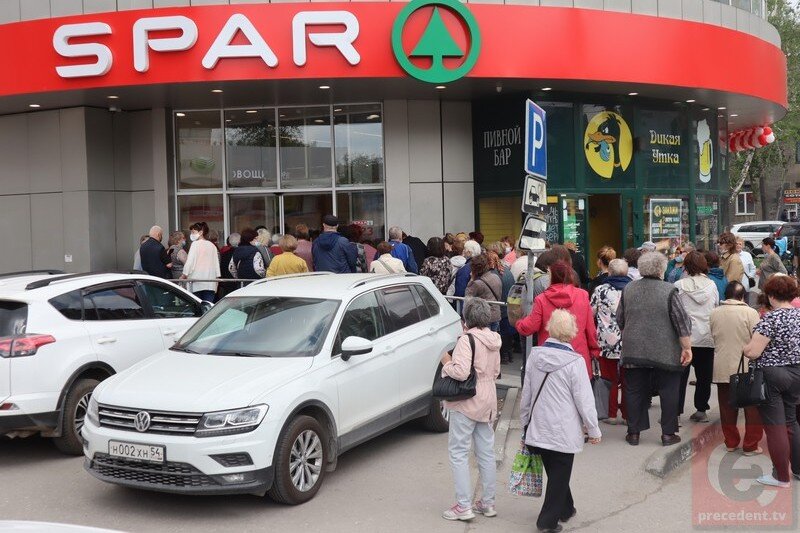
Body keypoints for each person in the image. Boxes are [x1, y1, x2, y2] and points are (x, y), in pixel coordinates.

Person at [519, 310, 601, 532]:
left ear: (550, 329)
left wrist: (524, 421)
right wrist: (594, 430)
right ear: (572, 333)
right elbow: (585, 400)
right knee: (559, 474)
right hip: (564, 430)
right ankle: (546, 522)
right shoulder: (575, 362)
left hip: (539, 427)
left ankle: (566, 508)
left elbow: (527, 393)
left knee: (556, 472)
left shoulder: (535, 356)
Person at [619, 252, 693, 447]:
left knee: (634, 390)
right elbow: (681, 322)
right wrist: (687, 348)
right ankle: (668, 434)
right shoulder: (669, 291)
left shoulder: (629, 289)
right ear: (661, 269)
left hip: (633, 348)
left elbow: (620, 319)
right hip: (665, 350)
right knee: (669, 390)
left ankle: (633, 433)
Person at [440, 298, 502, 522]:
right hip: (488, 397)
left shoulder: (467, 340)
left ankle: (463, 505)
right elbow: (495, 372)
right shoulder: (494, 339)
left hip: (467, 400)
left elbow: (461, 372)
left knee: (458, 452)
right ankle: (488, 502)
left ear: (467, 317)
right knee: (485, 452)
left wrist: (446, 362)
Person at [744, 275, 800, 487]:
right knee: (791, 421)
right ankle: (798, 469)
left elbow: (754, 351)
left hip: (773, 375)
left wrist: (745, 348)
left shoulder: (771, 319)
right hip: (797, 373)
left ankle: (780, 476)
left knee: (775, 426)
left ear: (771, 295)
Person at [515, 261, 600, 378]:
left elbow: (530, 326)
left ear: (552, 277)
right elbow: (591, 330)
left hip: (550, 360)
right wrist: (594, 351)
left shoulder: (542, 299)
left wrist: (518, 322)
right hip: (578, 357)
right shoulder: (583, 295)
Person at [710, 281, 763, 455]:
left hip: (722, 365)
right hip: (746, 366)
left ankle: (731, 442)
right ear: (742, 296)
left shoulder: (715, 313)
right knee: (752, 408)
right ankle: (750, 445)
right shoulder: (750, 313)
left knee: (726, 407)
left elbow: (713, 335)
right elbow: (756, 337)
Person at [675, 251, 719, 424]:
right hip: (707, 335)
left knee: (679, 377)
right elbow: (715, 306)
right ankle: (701, 409)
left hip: (684, 337)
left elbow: (674, 310)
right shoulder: (712, 285)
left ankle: (676, 412)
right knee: (704, 376)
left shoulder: (678, 285)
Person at [590, 258, 631, 424]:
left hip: (607, 342)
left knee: (610, 378)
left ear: (610, 272)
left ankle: (611, 414)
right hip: (630, 341)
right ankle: (628, 415)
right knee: (629, 380)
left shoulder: (600, 290)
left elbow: (591, 312)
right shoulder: (633, 288)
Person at [182, 221, 221, 302]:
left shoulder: (195, 245)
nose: (191, 234)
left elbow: (190, 262)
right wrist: (216, 281)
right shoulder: (212, 246)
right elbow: (216, 265)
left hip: (196, 283)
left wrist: (184, 275)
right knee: (208, 307)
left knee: (197, 308)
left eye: (193, 232)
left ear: (201, 232)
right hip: (210, 282)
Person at [466, 254, 503, 331]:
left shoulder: (477, 283)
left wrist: (472, 279)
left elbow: (468, 298)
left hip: (484, 318)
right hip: (496, 315)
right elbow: (499, 295)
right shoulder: (496, 277)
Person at [218, 232, 240, 297]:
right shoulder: (241, 253)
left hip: (227, 284)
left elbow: (222, 268)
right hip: (238, 283)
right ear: (240, 241)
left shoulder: (225, 254)